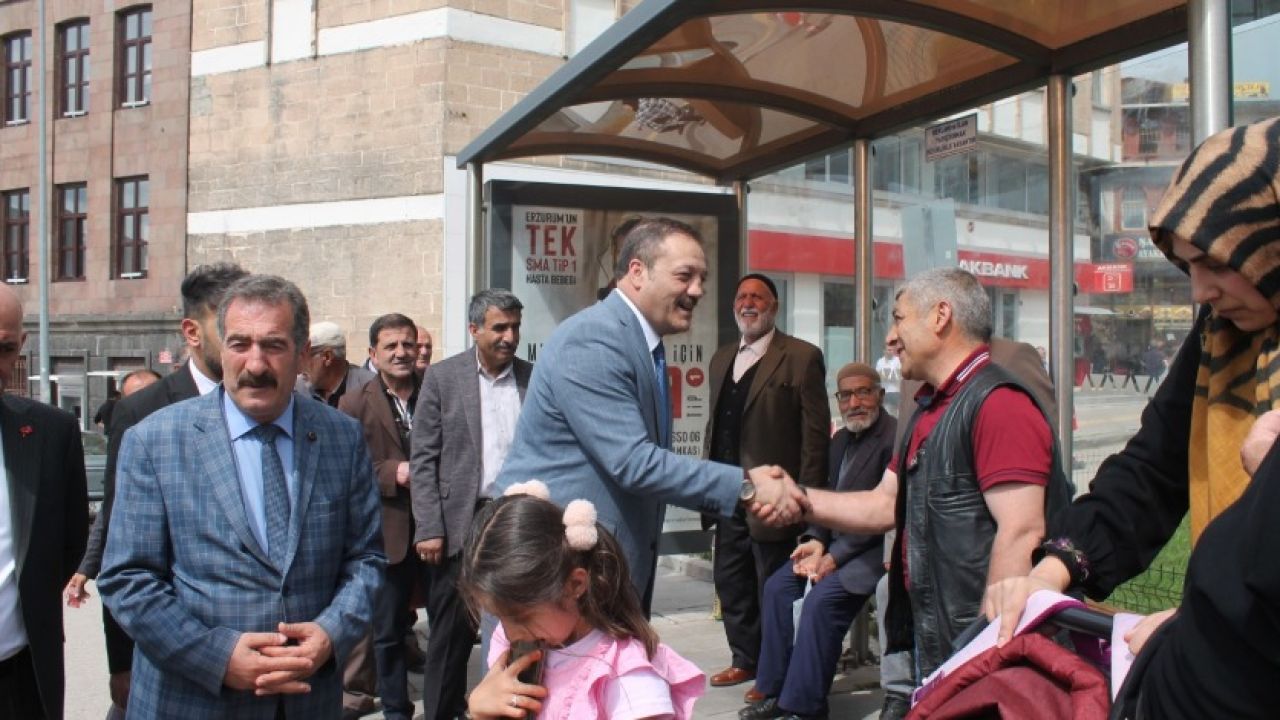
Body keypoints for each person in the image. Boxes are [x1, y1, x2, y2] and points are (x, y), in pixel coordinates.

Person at [984, 117, 1280, 719]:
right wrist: (1056, 568)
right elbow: (1151, 469)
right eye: (1187, 266)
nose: (1200, 291)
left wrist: (1202, 625)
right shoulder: (1222, 334)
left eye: (1218, 262)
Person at [97, 274, 386, 719]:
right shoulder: (155, 441)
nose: (255, 363)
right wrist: (216, 656)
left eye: (273, 345)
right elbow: (128, 578)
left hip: (306, 702)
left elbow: (366, 558)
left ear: (303, 353)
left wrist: (330, 634)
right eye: (239, 344)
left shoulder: (341, 438)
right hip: (191, 703)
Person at [494, 217, 806, 612]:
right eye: (685, 276)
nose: (698, 290)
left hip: (601, 576)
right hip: (556, 582)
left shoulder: (641, 344)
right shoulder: (593, 339)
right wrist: (746, 487)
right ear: (638, 272)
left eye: (702, 278)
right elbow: (634, 462)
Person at [796, 267, 1071, 692]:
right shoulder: (931, 409)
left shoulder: (999, 404)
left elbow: (1021, 532)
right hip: (941, 643)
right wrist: (796, 498)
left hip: (978, 652)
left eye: (899, 319)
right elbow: (883, 503)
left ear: (941, 316)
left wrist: (981, 658)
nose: (890, 338)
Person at [64, 262, 248, 718]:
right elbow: (120, 545)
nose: (243, 340)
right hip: (176, 655)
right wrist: (121, 663)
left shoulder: (274, 402)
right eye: (228, 325)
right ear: (192, 331)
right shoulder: (142, 413)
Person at [461, 482, 705, 720]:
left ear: (575, 585)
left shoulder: (626, 679)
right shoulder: (511, 643)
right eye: (500, 617)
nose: (511, 633)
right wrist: (477, 710)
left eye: (522, 617)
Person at [741, 363, 895, 720]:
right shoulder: (839, 441)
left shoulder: (893, 439)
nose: (854, 403)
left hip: (874, 550)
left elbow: (883, 515)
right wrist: (815, 541)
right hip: (836, 546)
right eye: (846, 395)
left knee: (821, 603)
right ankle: (776, 692)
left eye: (863, 392)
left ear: (879, 394)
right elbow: (825, 498)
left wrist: (834, 557)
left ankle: (805, 707)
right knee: (778, 587)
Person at [703, 273, 829, 694]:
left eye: (758, 297)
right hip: (728, 491)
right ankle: (745, 660)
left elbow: (815, 440)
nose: (748, 303)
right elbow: (716, 426)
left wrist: (806, 500)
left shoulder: (801, 357)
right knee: (731, 581)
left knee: (771, 586)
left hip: (774, 498)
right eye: (741, 296)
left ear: (774, 306)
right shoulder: (721, 358)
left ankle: (776, 672)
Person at [410, 288, 532, 720]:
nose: (509, 337)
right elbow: (423, 458)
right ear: (473, 329)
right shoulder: (443, 378)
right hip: (461, 521)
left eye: (514, 327)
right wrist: (429, 527)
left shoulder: (532, 378)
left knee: (522, 626)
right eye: (499, 328)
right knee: (451, 633)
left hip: (516, 518)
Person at [0, 284, 89, 720]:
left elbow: (70, 542)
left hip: (20, 679)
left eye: (4, 348)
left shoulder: (52, 434)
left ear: (21, 345)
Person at [338, 313, 422, 720]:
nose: (401, 353)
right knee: (387, 633)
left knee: (450, 627)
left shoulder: (437, 389)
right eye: (391, 346)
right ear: (373, 354)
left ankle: (449, 702)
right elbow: (347, 469)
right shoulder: (354, 403)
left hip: (438, 529)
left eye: (408, 344)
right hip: (388, 533)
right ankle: (396, 709)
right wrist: (393, 472)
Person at [302, 321, 375, 406]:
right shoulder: (299, 388)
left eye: (305, 357)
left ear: (327, 357)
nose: (300, 366)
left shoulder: (371, 388)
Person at [875, 347, 902, 415]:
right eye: (888, 350)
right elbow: (877, 376)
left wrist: (890, 376)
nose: (890, 352)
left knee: (898, 411)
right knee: (887, 411)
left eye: (891, 350)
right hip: (885, 391)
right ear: (884, 351)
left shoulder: (897, 360)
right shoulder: (880, 361)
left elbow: (900, 375)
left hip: (896, 391)